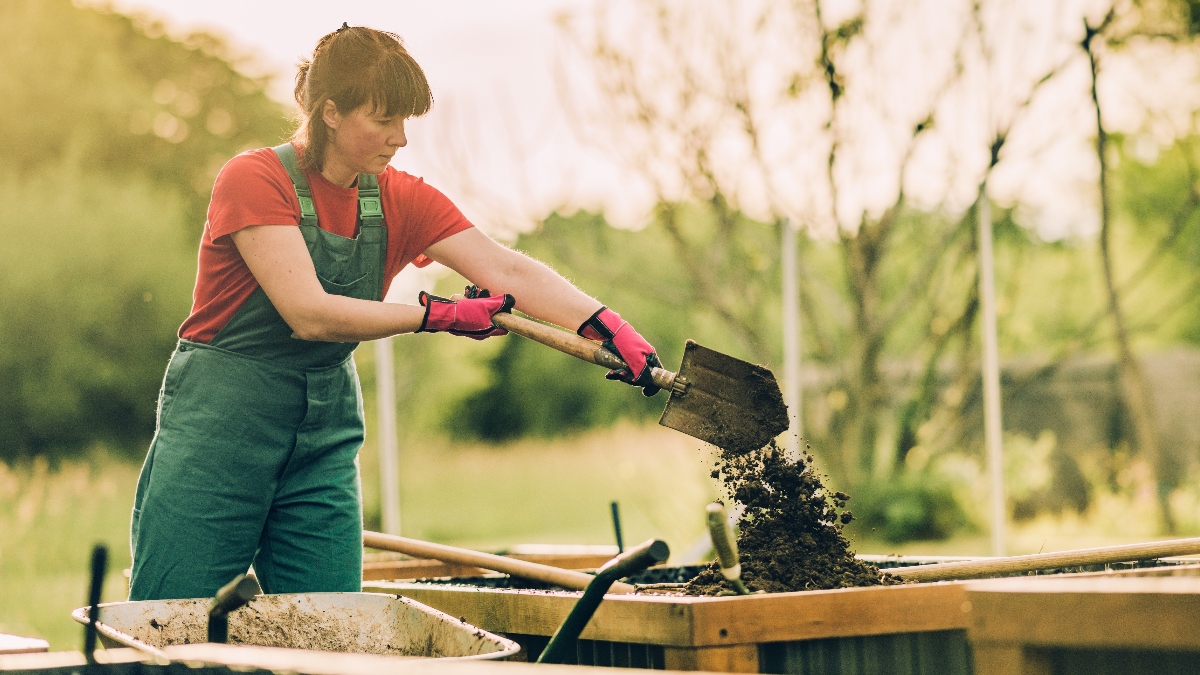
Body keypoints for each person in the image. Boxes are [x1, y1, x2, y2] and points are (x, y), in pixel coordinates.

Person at [128, 24, 661, 601]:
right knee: (174, 619)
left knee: (330, 626)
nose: (400, 138)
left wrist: (606, 323)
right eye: (384, 120)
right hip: (222, 421)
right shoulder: (254, 180)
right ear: (330, 113)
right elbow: (309, 314)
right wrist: (434, 315)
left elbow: (505, 271)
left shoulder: (399, 197)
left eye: (405, 121)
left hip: (324, 428)